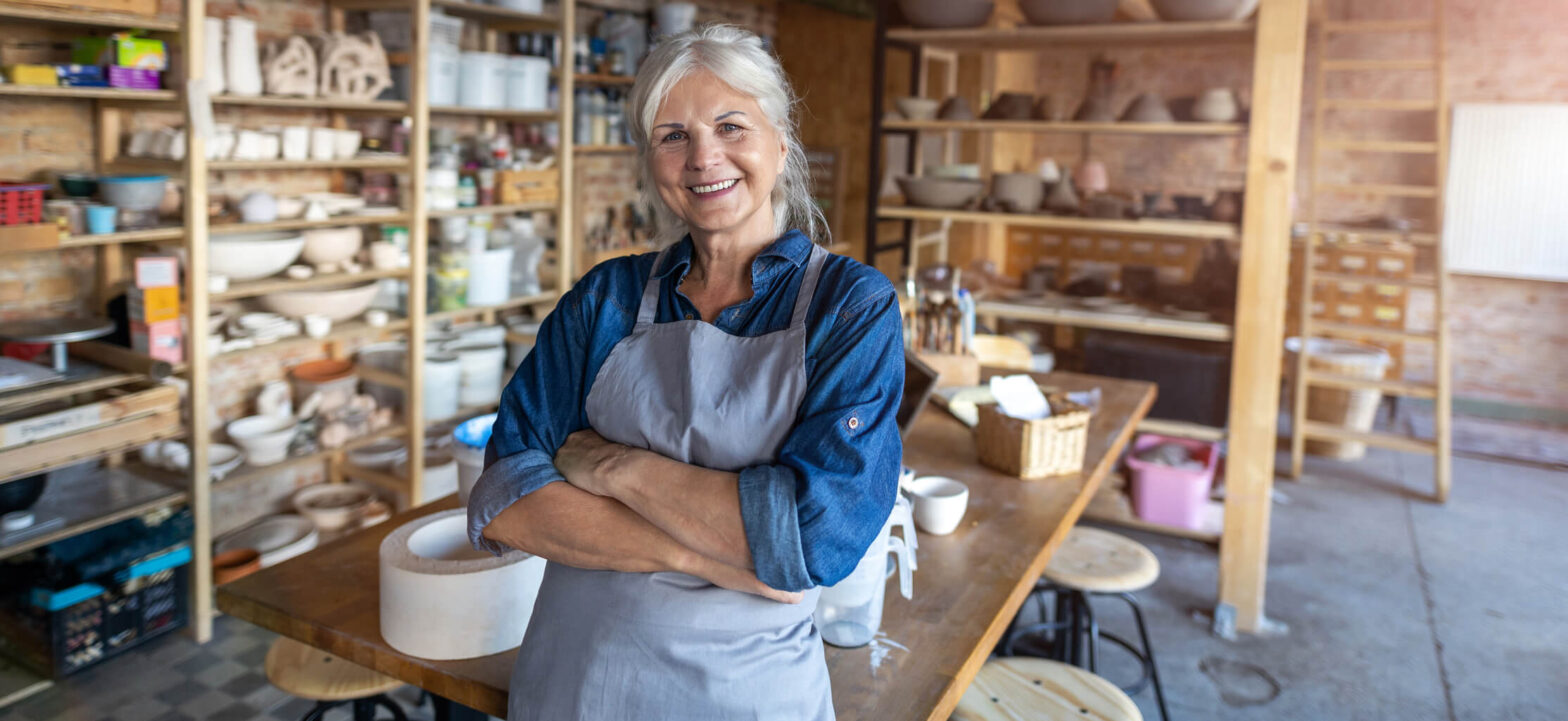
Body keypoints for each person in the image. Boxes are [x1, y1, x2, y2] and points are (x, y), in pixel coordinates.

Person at [466, 24, 904, 721]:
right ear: (652, 159)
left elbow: (816, 536)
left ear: (780, 141)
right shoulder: (604, 299)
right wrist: (719, 555)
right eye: (673, 135)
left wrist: (614, 468)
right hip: (574, 685)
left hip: (745, 699)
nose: (704, 158)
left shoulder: (849, 307)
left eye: (731, 126)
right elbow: (505, 495)